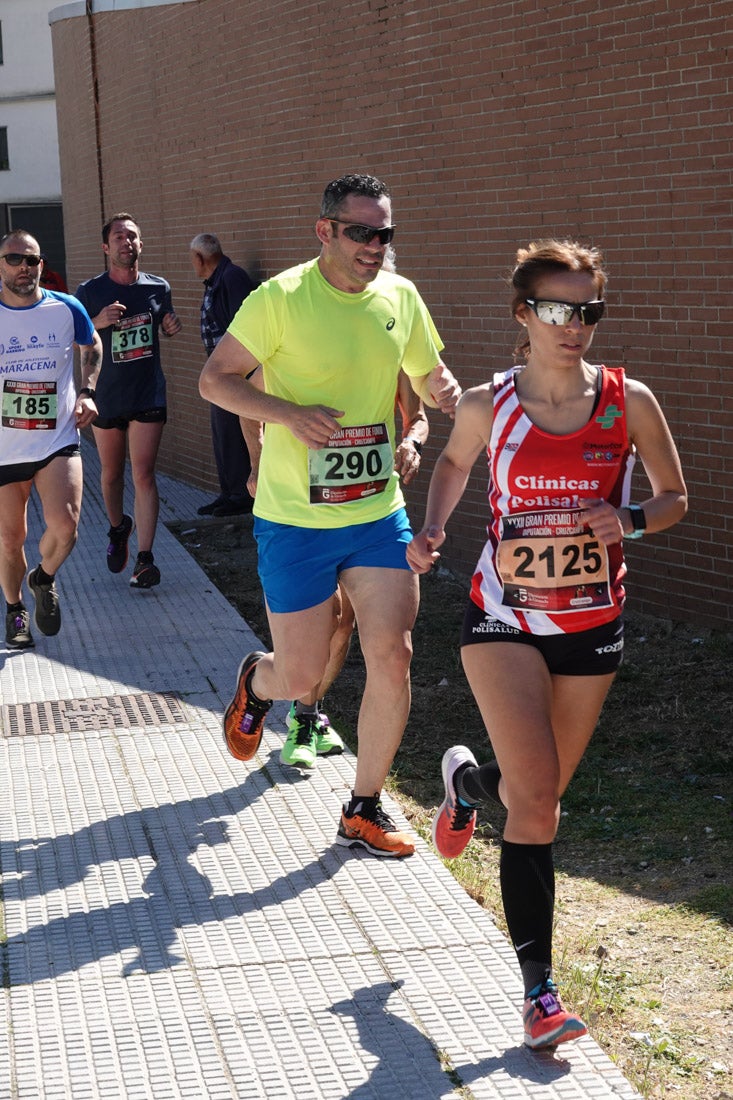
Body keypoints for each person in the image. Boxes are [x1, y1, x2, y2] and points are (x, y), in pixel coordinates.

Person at [406, 238, 687, 1048]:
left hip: (592, 622)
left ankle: (466, 785)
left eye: (588, 310)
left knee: (533, 785)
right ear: (522, 313)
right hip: (503, 617)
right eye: (559, 310)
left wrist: (628, 518)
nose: (575, 326)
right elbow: (455, 465)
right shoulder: (484, 405)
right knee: (539, 802)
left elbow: (674, 497)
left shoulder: (627, 401)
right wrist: (430, 528)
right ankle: (538, 995)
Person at [199, 173, 461, 857]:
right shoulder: (278, 300)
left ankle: (363, 806)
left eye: (384, 234)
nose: (374, 245)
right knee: (303, 677)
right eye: (360, 232)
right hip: (294, 519)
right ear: (326, 231)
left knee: (393, 653)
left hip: (376, 511)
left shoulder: (399, 298)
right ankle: (258, 686)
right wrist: (290, 416)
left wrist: (443, 394)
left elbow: (429, 378)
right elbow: (214, 380)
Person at [0, 230, 102, 648]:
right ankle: (15, 610)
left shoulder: (66, 307)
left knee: (67, 526)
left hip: (56, 439)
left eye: (33, 260)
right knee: (10, 538)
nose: (24, 267)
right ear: (0, 264)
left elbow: (91, 343)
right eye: (15, 259)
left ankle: (43, 576)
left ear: (42, 265)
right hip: (5, 448)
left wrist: (87, 391)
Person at [75, 213, 182, 588]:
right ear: (106, 247)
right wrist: (97, 321)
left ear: (141, 244)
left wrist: (169, 325)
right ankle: (119, 528)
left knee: (143, 474)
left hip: (147, 392)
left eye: (133, 236)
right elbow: (75, 337)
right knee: (111, 474)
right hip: (107, 396)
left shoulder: (158, 286)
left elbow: (165, 321)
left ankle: (145, 559)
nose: (127, 242)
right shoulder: (89, 291)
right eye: (119, 237)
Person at [190, 233, 257, 516]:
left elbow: (243, 328)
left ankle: (241, 496)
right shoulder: (216, 280)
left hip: (235, 374)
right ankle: (228, 492)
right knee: (222, 431)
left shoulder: (232, 278)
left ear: (199, 258)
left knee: (232, 431)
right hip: (221, 373)